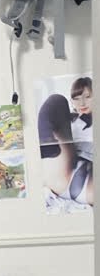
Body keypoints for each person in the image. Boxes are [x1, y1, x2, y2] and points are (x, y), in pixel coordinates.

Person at [37, 76, 93, 208]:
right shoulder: (70, 121)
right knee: (57, 99)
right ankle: (46, 143)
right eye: (76, 99)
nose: (82, 103)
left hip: (89, 182)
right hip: (63, 173)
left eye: (87, 97)